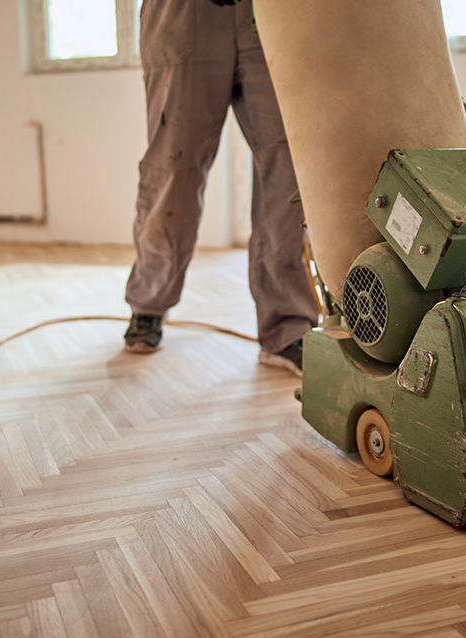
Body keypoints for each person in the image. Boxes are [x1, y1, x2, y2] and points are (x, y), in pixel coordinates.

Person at [123, 0, 318, 377]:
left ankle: (288, 326)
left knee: (289, 173)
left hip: (276, 13)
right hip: (183, 14)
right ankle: (148, 303)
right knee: (172, 170)